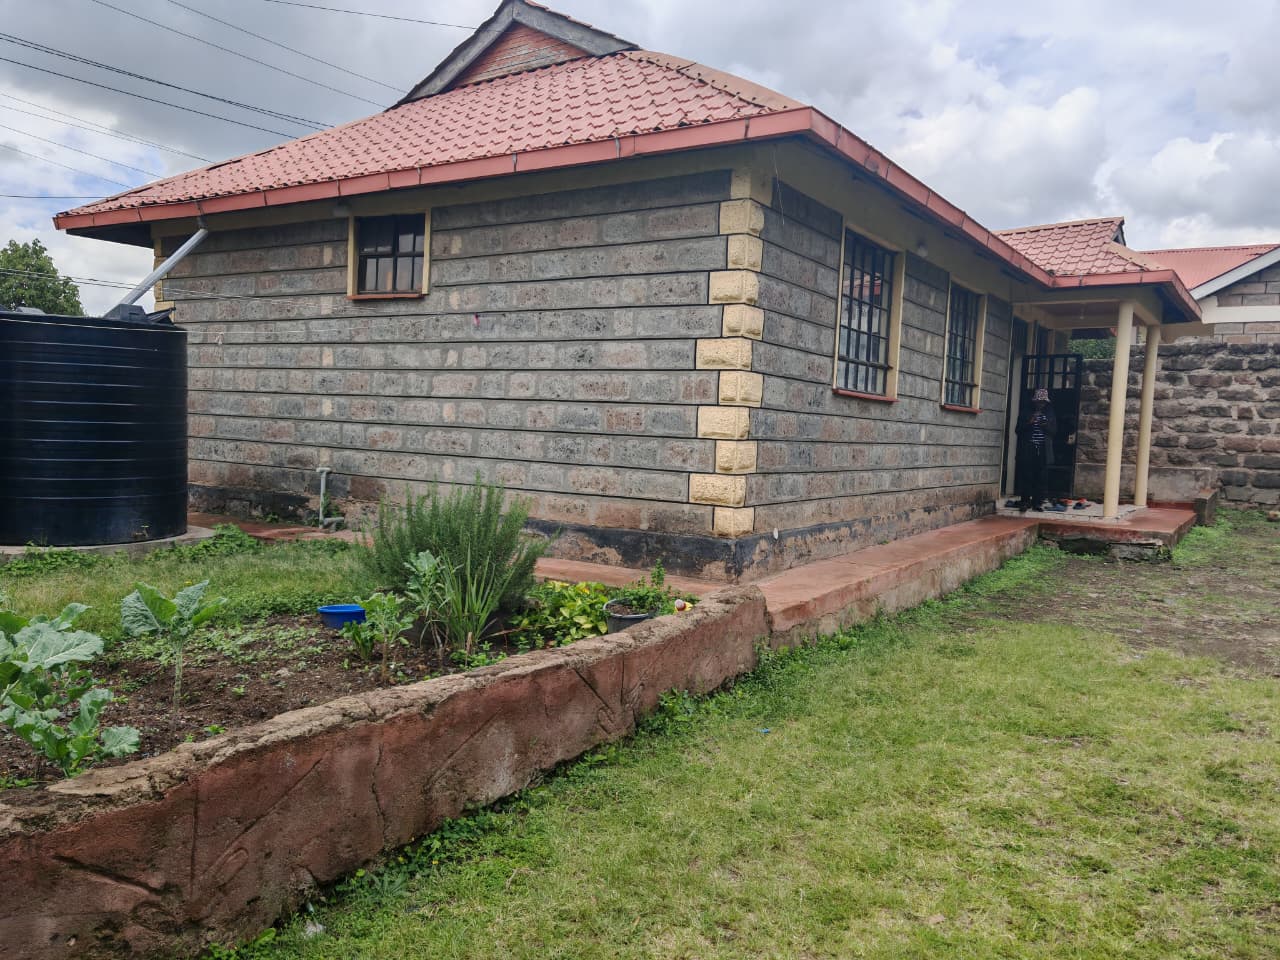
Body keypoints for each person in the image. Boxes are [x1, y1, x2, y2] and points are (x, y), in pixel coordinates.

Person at [1015, 387, 1057, 511]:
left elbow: (1054, 431)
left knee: (1041, 476)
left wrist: (1045, 426)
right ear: (1034, 401)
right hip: (1028, 448)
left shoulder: (1050, 413)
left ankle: (1037, 502)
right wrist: (1030, 422)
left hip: (1043, 449)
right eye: (1039, 402)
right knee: (1027, 475)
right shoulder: (1026, 412)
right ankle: (1025, 501)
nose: (1041, 404)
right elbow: (1018, 430)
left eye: (1043, 402)